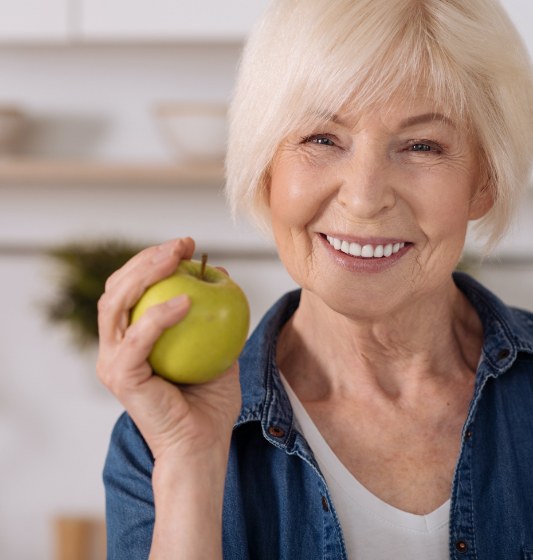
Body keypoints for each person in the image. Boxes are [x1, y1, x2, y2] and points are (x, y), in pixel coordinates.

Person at [97, 1, 533, 558]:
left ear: (484, 182)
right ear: (267, 169)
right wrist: (191, 464)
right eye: (322, 139)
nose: (365, 195)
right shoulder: (157, 441)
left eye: (422, 145)